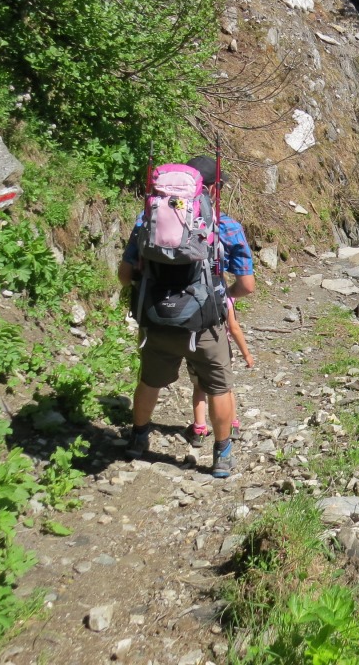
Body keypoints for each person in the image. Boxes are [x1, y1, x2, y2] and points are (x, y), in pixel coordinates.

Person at [117, 155, 255, 478]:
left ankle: (138, 439)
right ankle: (221, 456)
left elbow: (124, 275)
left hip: (156, 320)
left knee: (149, 381)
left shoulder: (147, 219)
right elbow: (247, 286)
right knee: (219, 387)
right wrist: (223, 295)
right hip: (205, 325)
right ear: (211, 189)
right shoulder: (225, 226)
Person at [187, 297, 253, 448]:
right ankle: (232, 426)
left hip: (195, 348)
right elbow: (234, 328)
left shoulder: (191, 293)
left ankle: (199, 431)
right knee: (226, 389)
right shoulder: (224, 296)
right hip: (221, 351)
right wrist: (246, 354)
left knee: (198, 388)